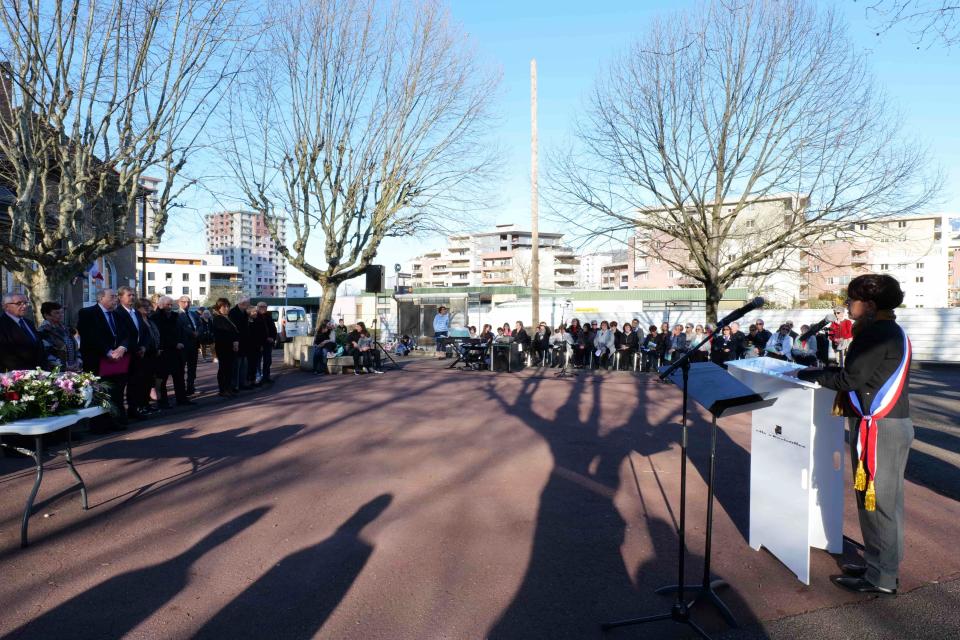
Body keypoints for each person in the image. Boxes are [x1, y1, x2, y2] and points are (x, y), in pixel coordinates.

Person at [793, 274, 911, 596]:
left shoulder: (876, 334)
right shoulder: (887, 329)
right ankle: (880, 563)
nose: (848, 306)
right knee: (884, 502)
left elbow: (850, 379)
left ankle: (882, 578)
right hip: (887, 425)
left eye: (852, 300)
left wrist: (810, 373)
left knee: (878, 503)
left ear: (869, 305)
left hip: (880, 428)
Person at [77, 288, 131, 429]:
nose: (116, 299)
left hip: (117, 361)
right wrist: (108, 352)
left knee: (117, 392)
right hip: (97, 361)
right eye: (112, 297)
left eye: (115, 297)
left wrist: (122, 348)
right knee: (100, 393)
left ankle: (117, 420)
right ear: (101, 298)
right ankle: (101, 425)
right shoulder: (87, 313)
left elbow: (127, 333)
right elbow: (89, 335)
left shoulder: (117, 314)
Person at [151, 296, 192, 407]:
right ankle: (163, 402)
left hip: (177, 352)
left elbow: (181, 331)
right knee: (162, 378)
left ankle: (182, 399)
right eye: (167, 305)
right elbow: (160, 335)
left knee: (179, 376)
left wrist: (182, 343)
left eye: (170, 305)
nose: (169, 307)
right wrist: (174, 344)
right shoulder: (155, 318)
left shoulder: (175, 316)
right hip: (164, 352)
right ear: (160, 305)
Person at [118, 286, 150, 420]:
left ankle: (133, 409)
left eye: (133, 295)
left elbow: (144, 332)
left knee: (135, 383)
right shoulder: (117, 313)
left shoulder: (136, 313)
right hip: (124, 354)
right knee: (120, 385)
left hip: (138, 354)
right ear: (120, 297)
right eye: (129, 295)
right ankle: (120, 414)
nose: (132, 297)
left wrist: (143, 346)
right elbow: (122, 334)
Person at [1, 292, 44, 371]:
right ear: (6, 306)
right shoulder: (2, 325)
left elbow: (38, 347)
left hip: (39, 374)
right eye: (19, 303)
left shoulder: (29, 323)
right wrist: (26, 374)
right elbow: (5, 355)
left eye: (26, 303)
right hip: (16, 376)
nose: (24, 306)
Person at [135, 298, 162, 415]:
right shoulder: (137, 320)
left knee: (149, 381)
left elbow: (155, 335)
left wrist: (158, 347)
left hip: (153, 354)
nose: (147, 308)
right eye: (143, 306)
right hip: (143, 355)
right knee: (141, 382)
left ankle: (147, 404)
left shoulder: (150, 320)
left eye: (148, 306)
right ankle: (140, 406)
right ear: (137, 308)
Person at [38, 301, 81, 372]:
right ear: (46, 315)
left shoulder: (66, 328)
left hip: (73, 369)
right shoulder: (43, 331)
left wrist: (78, 361)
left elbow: (76, 347)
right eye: (57, 313)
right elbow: (46, 354)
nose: (61, 315)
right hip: (55, 372)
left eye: (62, 312)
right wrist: (63, 367)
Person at [211, 298, 240, 397]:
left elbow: (235, 332)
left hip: (231, 347)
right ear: (219, 308)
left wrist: (235, 341)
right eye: (224, 306)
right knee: (224, 368)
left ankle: (228, 387)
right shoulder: (217, 319)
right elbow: (223, 334)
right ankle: (223, 389)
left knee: (229, 368)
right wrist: (233, 341)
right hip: (223, 347)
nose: (227, 308)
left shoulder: (228, 318)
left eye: (228, 306)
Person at [177, 296, 202, 395]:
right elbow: (182, 327)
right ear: (179, 302)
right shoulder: (177, 315)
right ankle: (181, 390)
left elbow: (200, 325)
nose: (186, 304)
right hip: (184, 345)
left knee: (192, 368)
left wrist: (198, 332)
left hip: (194, 345)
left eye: (188, 302)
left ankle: (190, 388)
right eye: (184, 302)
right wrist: (192, 333)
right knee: (181, 369)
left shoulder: (193, 314)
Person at [229, 299, 252, 391]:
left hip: (245, 343)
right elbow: (234, 329)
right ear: (242, 304)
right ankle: (235, 385)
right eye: (248, 304)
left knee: (244, 364)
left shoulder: (244, 312)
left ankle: (242, 383)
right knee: (236, 365)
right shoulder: (233, 312)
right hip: (237, 342)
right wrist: (235, 341)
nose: (249, 305)